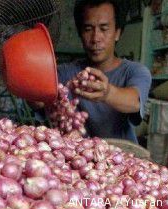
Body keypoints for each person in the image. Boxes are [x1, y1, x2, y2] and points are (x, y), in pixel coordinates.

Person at [57, 0, 152, 143]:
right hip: (76, 157)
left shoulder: (135, 71)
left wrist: (107, 93)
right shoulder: (65, 72)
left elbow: (134, 102)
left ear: (117, 33)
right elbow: (38, 99)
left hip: (121, 156)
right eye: (88, 29)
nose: (95, 38)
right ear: (80, 34)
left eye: (104, 28)